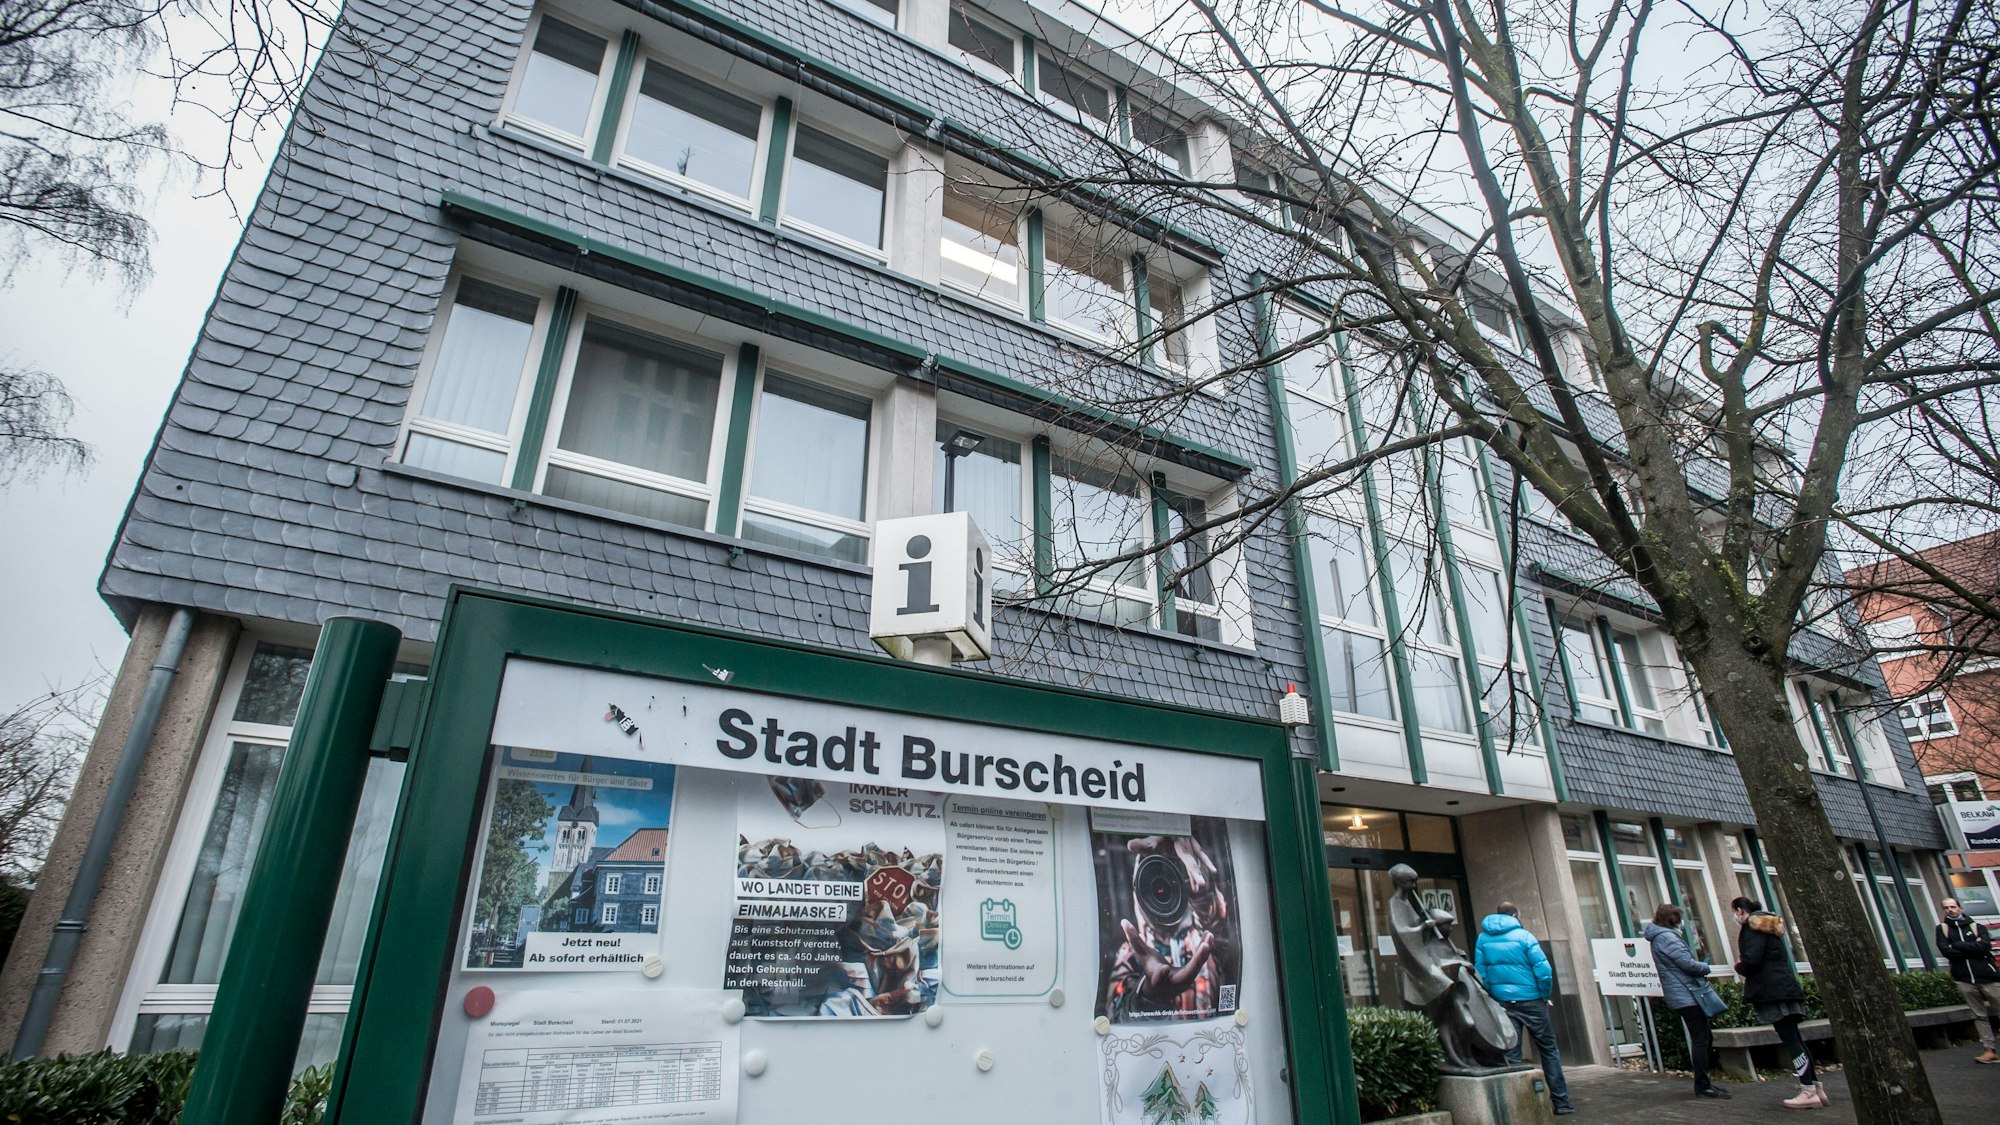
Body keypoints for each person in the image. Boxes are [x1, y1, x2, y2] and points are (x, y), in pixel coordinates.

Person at [1474, 902, 1574, 1115]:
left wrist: (1495, 994)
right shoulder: (1524, 936)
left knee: (1512, 1054)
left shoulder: (1483, 938)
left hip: (1503, 1002)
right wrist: (1544, 995)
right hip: (1532, 1000)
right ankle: (1561, 1103)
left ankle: (1518, 1106)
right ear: (1515, 914)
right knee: (1548, 1050)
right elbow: (1544, 969)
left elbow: (1481, 973)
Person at [1731, 897, 1826, 1109]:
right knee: (1796, 1038)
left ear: (1739, 911)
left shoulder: (1751, 929)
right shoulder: (1770, 926)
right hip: (1785, 987)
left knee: (1790, 1040)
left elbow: (1752, 960)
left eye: (1735, 912)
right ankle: (1815, 1086)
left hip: (1771, 991)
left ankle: (1808, 1089)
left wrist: (1739, 967)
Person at [1646, 903, 1730, 1099]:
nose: (1681, 923)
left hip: (1683, 994)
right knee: (1701, 1039)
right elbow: (1687, 964)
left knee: (1703, 1037)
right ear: (1672, 919)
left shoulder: (1661, 937)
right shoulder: (1667, 937)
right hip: (1687, 995)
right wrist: (1705, 967)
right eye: (1678, 918)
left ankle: (1705, 1083)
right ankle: (1703, 1085)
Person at [1935, 897, 2000, 1063]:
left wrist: (1957, 945)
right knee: (1979, 1015)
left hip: (1987, 977)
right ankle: (1989, 1049)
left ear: (1960, 908)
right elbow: (1946, 951)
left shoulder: (1977, 927)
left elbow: (1985, 947)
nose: (1950, 910)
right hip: (1964, 979)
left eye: (1953, 906)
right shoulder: (1942, 929)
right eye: (1946, 907)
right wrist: (1972, 947)